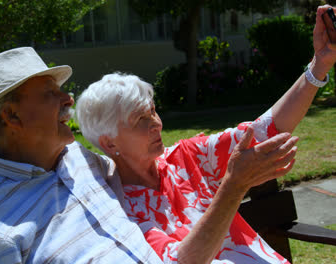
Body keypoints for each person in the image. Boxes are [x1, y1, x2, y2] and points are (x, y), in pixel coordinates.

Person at [75, 5, 336, 263]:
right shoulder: (119, 211)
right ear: (109, 143)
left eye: (153, 111)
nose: (155, 123)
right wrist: (234, 186)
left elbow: (265, 129)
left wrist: (319, 65)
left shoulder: (184, 158)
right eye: (139, 119)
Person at [0, 47, 163, 263]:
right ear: (12, 115)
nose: (68, 99)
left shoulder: (80, 158)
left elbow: (134, 170)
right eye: (49, 93)